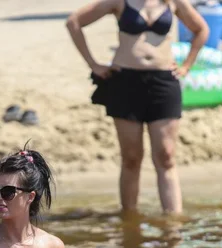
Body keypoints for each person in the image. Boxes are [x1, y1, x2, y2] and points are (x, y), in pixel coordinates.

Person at [66, 0, 209, 215]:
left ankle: (173, 224)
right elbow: (74, 22)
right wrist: (93, 64)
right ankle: (129, 218)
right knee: (132, 157)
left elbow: (201, 30)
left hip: (163, 81)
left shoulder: (173, 2)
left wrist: (187, 65)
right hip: (125, 82)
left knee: (166, 156)